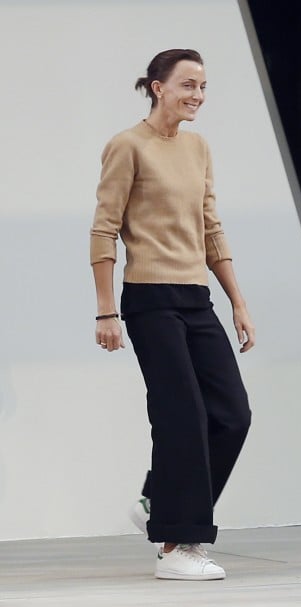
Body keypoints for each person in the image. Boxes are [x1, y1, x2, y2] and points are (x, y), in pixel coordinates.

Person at [90, 49, 254, 580]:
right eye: (187, 84)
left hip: (195, 297)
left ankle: (157, 500)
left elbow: (211, 228)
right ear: (157, 87)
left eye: (203, 86)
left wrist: (238, 303)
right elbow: (104, 229)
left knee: (231, 415)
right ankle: (177, 546)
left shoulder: (199, 148)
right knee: (182, 416)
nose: (198, 95)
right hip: (149, 298)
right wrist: (105, 311)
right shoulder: (127, 146)